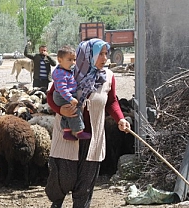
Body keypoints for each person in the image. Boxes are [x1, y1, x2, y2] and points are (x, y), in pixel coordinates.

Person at [44, 38, 131, 208]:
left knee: (85, 185)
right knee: (63, 179)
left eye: (106, 54)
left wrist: (120, 118)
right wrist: (61, 110)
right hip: (67, 136)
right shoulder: (69, 72)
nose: (105, 58)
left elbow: (112, 101)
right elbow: (51, 96)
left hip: (93, 139)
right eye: (101, 54)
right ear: (88, 55)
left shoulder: (108, 77)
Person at [51, 45, 91, 140]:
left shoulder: (66, 70)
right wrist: (70, 98)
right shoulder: (61, 74)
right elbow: (62, 89)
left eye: (74, 60)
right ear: (60, 60)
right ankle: (79, 131)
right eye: (69, 60)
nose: (73, 63)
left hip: (62, 96)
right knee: (75, 111)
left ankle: (67, 131)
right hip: (62, 96)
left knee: (67, 113)